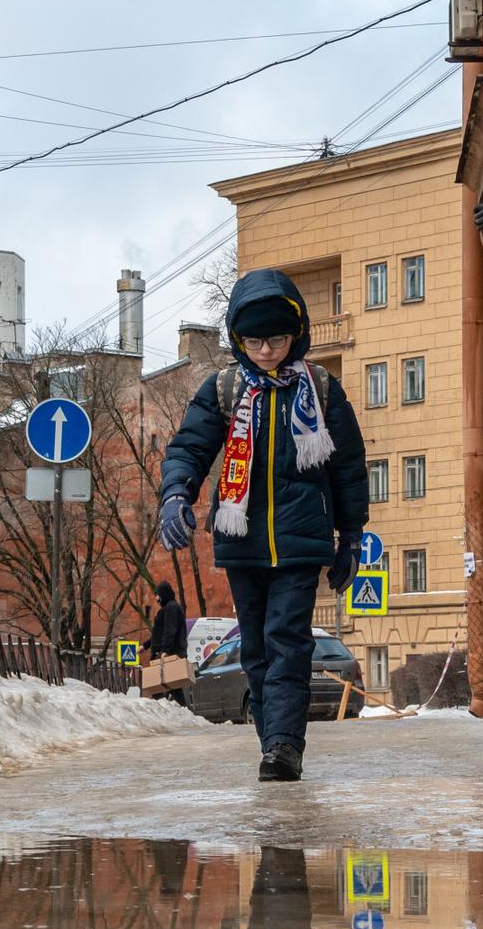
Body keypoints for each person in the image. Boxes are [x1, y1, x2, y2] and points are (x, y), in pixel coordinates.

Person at [158, 268, 370, 783]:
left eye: (276, 340)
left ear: (295, 335)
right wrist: (175, 492)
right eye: (255, 341)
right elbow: (190, 447)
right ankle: (272, 740)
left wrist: (351, 535)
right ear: (238, 337)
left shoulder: (319, 389)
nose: (267, 351)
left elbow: (347, 466)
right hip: (242, 539)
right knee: (255, 646)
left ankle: (283, 746)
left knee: (287, 640)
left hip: (301, 541)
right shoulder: (225, 389)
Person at [148, 581, 187, 661]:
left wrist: (165, 650)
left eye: (157, 595)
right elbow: (159, 634)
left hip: (170, 653)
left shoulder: (171, 608)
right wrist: (145, 645)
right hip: (169, 652)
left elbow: (169, 630)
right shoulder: (168, 608)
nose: (156, 598)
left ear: (163, 594)